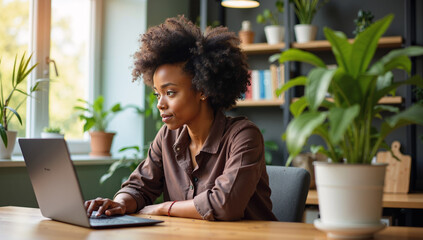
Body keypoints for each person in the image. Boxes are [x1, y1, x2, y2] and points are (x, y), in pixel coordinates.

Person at [85, 16, 277, 221]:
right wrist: (120, 203)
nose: (160, 104)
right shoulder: (167, 137)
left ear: (202, 90)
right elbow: (139, 186)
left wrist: (162, 208)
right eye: (157, 94)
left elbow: (224, 205)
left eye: (170, 93)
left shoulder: (244, 136)